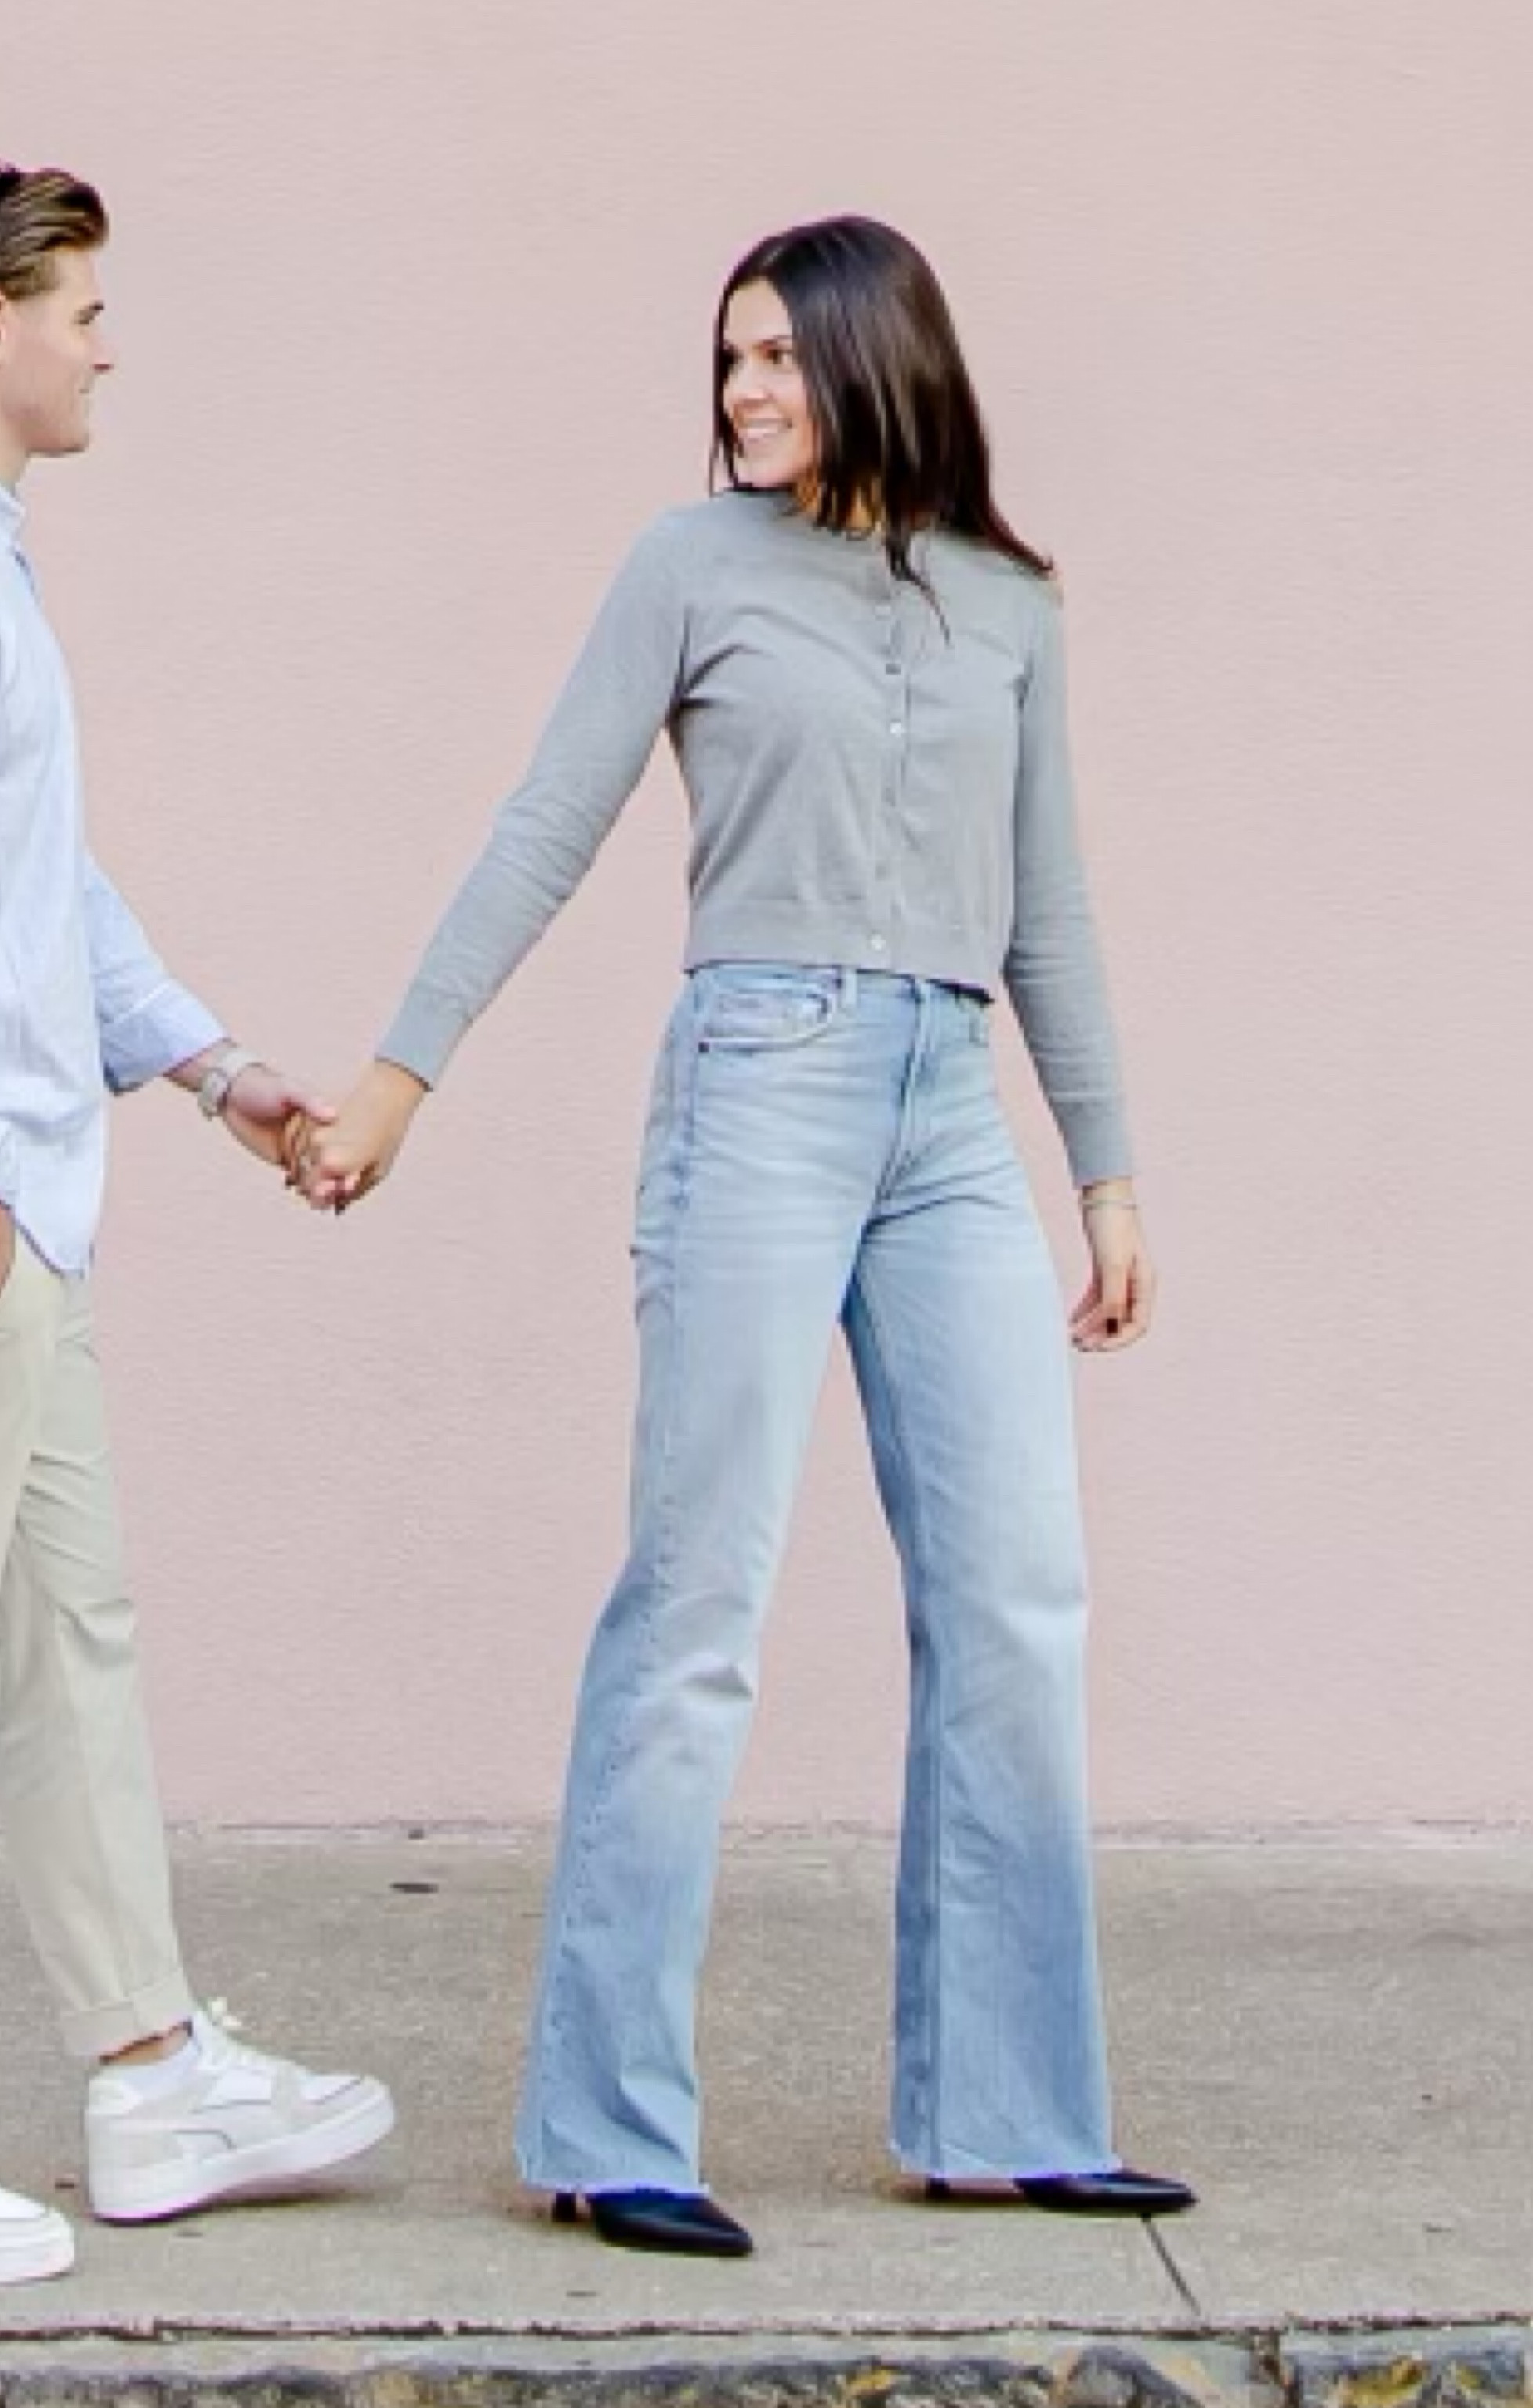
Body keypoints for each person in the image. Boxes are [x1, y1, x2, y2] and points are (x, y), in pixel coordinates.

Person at [295, 214, 1193, 2258]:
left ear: (882, 359)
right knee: (698, 1600)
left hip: (951, 1110)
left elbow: (1048, 903)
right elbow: (548, 820)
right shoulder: (686, 570)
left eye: (779, 359)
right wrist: (397, 1083)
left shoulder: (1007, 603)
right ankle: (609, 2124)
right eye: (729, 363)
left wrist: (1110, 1174)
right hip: (761, 1081)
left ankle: (1009, 2106)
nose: (743, 396)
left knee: (1021, 1595)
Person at [0, 162, 395, 2290]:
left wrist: (217, 1070)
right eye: (74, 305)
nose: (102, 342)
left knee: (71, 1644)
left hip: (41, 1201)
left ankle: (150, 2073)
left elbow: (47, 882)